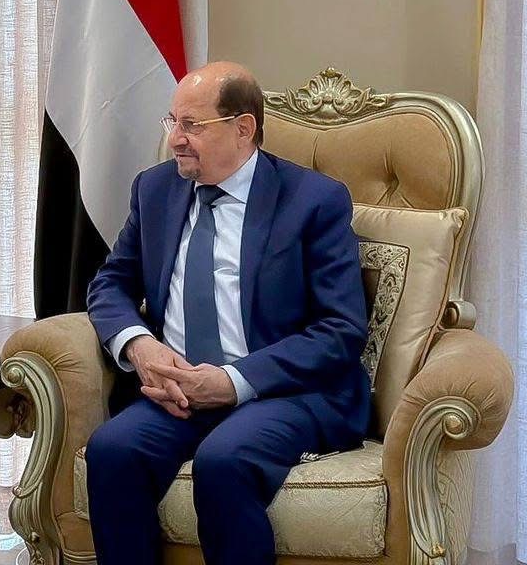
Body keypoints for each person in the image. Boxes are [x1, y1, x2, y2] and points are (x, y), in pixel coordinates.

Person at [83, 62, 369, 565]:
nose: (175, 139)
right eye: (172, 121)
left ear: (243, 128)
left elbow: (340, 330)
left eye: (192, 125)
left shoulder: (313, 201)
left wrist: (233, 381)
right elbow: (110, 283)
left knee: (223, 461)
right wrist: (139, 346)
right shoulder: (155, 190)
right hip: (178, 390)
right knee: (112, 450)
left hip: (281, 391)